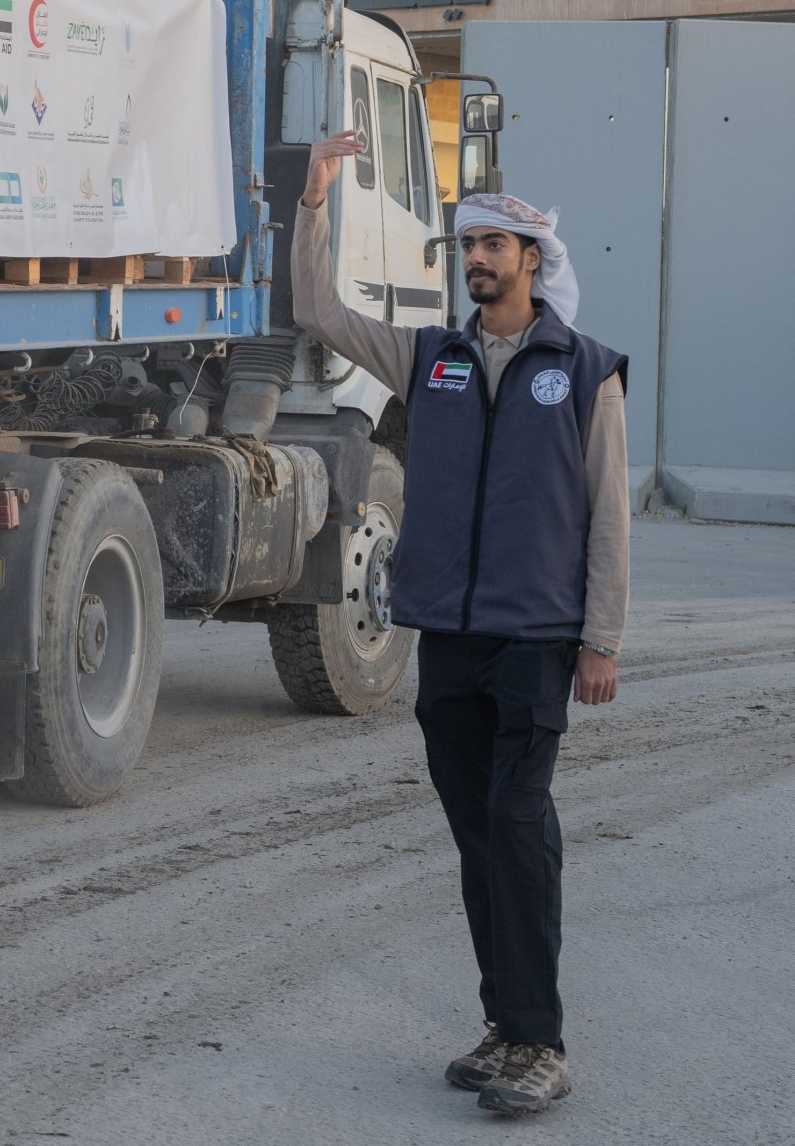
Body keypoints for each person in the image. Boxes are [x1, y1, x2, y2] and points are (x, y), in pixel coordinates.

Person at [293, 132, 629, 1118]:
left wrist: (598, 637)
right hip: (447, 640)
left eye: (494, 246)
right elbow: (316, 310)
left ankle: (540, 1041)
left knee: (518, 828)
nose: (476, 259)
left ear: (533, 262)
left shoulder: (585, 372)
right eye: (466, 246)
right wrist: (311, 205)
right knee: (479, 836)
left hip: (534, 640)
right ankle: (503, 1024)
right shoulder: (426, 358)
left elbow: (607, 514)